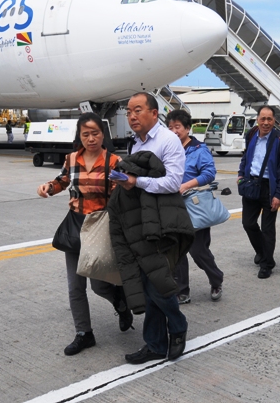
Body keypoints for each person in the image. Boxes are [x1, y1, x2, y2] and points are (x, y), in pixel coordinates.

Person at [37, 113, 132, 356]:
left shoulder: (113, 161)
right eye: (85, 134)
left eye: (96, 133)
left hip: (100, 226)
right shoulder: (72, 158)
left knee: (99, 285)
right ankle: (84, 333)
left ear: (103, 134)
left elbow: (119, 196)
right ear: (79, 136)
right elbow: (62, 180)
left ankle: (120, 303)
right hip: (76, 226)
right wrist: (49, 187)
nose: (91, 139)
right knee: (75, 286)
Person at [110, 92, 192, 365]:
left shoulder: (168, 140)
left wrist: (137, 182)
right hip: (143, 223)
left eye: (137, 110)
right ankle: (155, 344)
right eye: (129, 111)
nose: (131, 116)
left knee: (159, 285)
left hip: (165, 224)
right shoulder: (135, 144)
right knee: (147, 283)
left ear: (154, 114)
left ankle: (178, 326)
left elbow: (172, 182)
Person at [166, 109, 224, 304]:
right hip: (173, 207)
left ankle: (216, 279)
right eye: (170, 127)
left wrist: (186, 185)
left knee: (198, 250)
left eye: (178, 127)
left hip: (193, 205)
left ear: (188, 128)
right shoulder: (167, 150)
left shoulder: (199, 149)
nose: (174, 131)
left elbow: (209, 173)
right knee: (177, 251)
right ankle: (182, 290)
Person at [238, 105, 280, 280]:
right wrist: (240, 174)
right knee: (248, 223)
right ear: (257, 119)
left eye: (269, 119)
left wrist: (278, 194)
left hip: (269, 188)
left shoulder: (279, 140)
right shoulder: (251, 134)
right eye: (263, 118)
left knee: (268, 228)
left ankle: (267, 264)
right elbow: (246, 156)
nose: (266, 122)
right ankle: (262, 251)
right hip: (251, 184)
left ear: (274, 121)